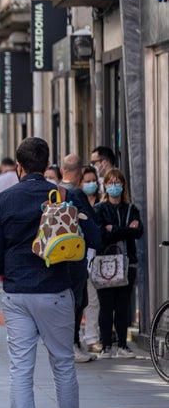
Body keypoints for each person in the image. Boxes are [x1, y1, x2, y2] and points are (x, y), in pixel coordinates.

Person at [0, 137, 101, 408]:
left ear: (19, 167)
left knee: (20, 370)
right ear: (47, 165)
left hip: (16, 294)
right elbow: (96, 238)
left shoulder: (4, 200)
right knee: (63, 365)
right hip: (55, 291)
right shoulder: (63, 194)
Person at [94, 168, 143, 359]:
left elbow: (138, 231)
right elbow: (101, 235)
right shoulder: (99, 208)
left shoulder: (132, 209)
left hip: (127, 263)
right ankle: (106, 345)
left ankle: (122, 345)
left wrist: (114, 229)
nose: (114, 186)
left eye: (117, 182)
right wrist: (123, 230)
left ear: (123, 185)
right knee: (106, 305)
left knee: (123, 305)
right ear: (105, 186)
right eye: (110, 182)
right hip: (105, 263)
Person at [59, 154, 99, 363]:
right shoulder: (76, 194)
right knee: (77, 301)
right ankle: (73, 343)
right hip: (76, 257)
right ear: (81, 173)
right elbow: (91, 226)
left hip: (58, 257)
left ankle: (70, 343)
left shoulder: (55, 191)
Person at [80, 165, 102, 353]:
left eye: (92, 180)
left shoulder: (102, 202)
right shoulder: (77, 201)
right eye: (86, 181)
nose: (90, 184)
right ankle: (78, 337)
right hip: (82, 256)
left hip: (99, 257)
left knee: (93, 299)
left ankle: (92, 337)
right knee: (81, 300)